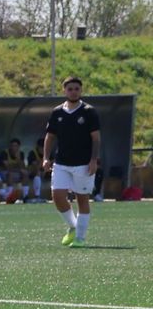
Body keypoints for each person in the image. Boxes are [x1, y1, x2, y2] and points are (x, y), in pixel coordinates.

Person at [42, 77, 101, 247]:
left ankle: (80, 238)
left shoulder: (89, 111)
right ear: (64, 91)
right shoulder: (57, 112)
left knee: (82, 199)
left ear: (81, 90)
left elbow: (96, 138)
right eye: (70, 89)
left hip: (83, 164)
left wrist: (93, 160)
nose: (73, 92)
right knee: (57, 196)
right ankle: (73, 226)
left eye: (76, 89)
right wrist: (45, 157)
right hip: (61, 163)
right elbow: (50, 136)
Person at [0, 137, 33, 203]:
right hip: (4, 173)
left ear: (18, 147)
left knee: (25, 173)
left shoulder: (21, 154)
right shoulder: (4, 153)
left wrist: (18, 159)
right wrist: (17, 168)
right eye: (12, 146)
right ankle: (9, 196)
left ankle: (25, 196)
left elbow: (23, 167)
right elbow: (8, 167)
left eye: (16, 146)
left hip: (16, 173)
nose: (14, 148)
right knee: (10, 174)